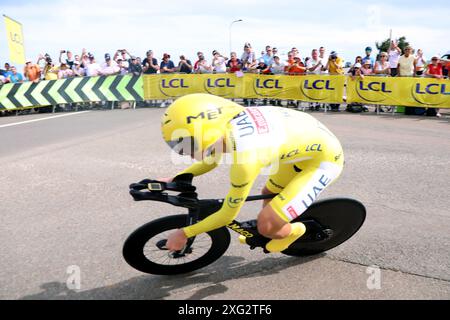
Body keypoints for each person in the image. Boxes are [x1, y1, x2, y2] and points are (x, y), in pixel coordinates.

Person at [161, 93, 345, 254]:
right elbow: (211, 160)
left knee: (267, 226)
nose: (189, 154)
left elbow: (227, 215)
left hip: (324, 160)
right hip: (302, 147)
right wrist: (175, 178)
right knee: (267, 193)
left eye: (187, 145)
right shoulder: (224, 125)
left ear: (206, 130)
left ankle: (296, 230)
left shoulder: (246, 159)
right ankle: (274, 225)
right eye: (178, 146)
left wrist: (184, 233)